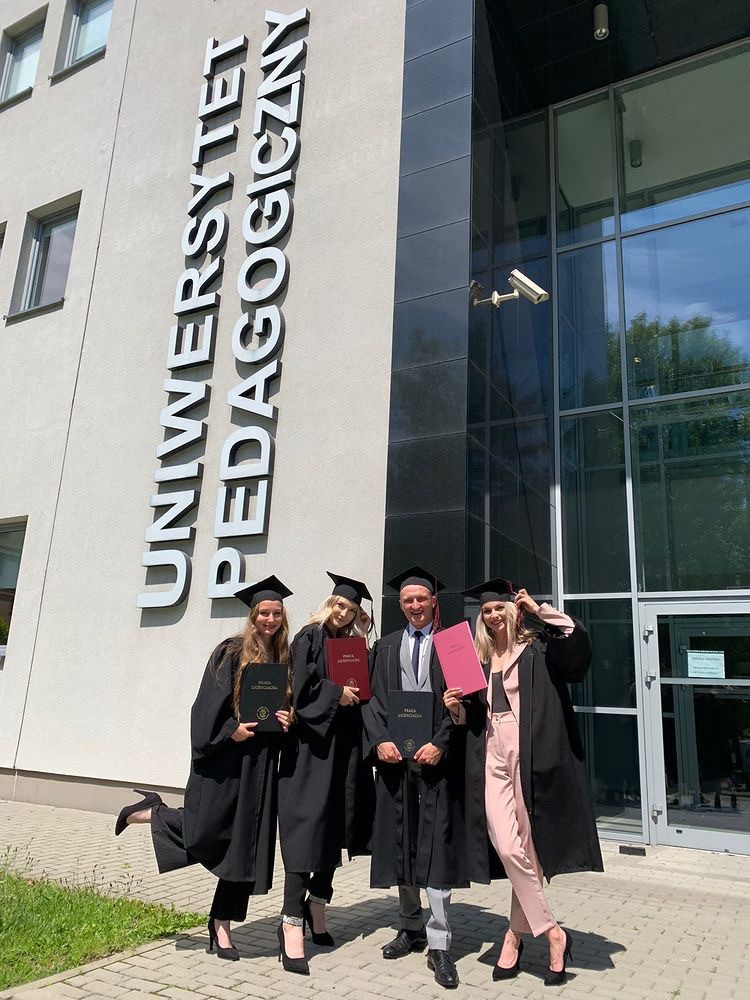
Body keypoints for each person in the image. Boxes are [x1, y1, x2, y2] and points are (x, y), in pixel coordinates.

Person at [114, 575, 293, 964]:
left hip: (261, 763)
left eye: (276, 613)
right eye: (264, 612)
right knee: (206, 831)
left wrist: (286, 718)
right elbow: (205, 708)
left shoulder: (282, 656)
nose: (270, 619)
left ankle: (221, 925)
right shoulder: (230, 651)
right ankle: (153, 812)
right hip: (227, 760)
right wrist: (231, 731)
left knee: (243, 846)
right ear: (253, 616)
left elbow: (283, 705)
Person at [444, 579, 603, 986]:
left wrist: (539, 609)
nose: (493, 615)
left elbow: (575, 642)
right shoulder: (480, 658)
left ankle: (513, 938)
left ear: (513, 611)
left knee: (527, 850)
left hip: (529, 751)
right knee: (507, 844)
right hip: (491, 752)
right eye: (487, 611)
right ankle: (553, 932)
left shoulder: (538, 648)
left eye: (499, 608)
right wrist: (455, 709)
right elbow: (473, 716)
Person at [362, 565, 468, 991]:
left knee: (436, 849)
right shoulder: (385, 647)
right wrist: (380, 740)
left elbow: (466, 703)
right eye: (408, 600)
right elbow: (372, 702)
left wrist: (441, 743)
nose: (415, 605)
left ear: (433, 601)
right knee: (401, 842)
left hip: (437, 764)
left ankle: (439, 943)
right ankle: (410, 926)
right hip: (396, 764)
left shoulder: (454, 643)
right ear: (401, 605)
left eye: (421, 598)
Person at [277, 572, 376, 972]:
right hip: (312, 749)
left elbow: (364, 681)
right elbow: (303, 690)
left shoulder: (348, 642)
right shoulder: (310, 636)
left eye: (350, 610)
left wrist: (365, 632)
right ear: (329, 603)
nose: (342, 613)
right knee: (308, 831)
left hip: (342, 749)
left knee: (335, 828)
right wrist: (339, 694)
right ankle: (291, 921)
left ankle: (318, 905)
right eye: (339, 605)